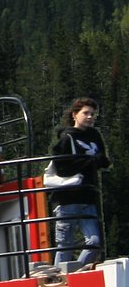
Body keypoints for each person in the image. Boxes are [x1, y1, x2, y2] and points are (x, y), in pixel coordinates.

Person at [46, 96, 112, 270]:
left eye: (93, 114)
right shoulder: (66, 138)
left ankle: (74, 272)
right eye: (86, 113)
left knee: (94, 242)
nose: (90, 117)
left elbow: (104, 160)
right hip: (67, 198)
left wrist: (86, 162)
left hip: (88, 197)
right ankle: (60, 279)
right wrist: (90, 161)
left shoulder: (94, 135)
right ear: (75, 114)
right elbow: (62, 168)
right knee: (65, 245)